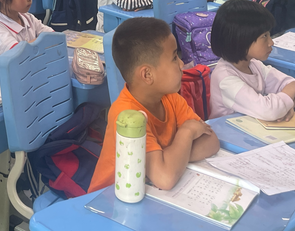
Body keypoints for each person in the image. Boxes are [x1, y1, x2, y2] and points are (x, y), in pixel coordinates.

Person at [88, 18, 219, 192]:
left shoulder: (170, 98)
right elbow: (165, 178)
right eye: (174, 57)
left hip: (148, 194)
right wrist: (186, 133)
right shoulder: (126, 114)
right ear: (147, 75)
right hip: (109, 199)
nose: (182, 64)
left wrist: (169, 160)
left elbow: (211, 141)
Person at [209, 0, 295, 121]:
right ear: (241, 40)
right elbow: (268, 111)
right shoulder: (225, 78)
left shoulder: (254, 65)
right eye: (264, 36)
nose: (271, 42)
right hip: (226, 131)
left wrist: (288, 105)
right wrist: (289, 94)